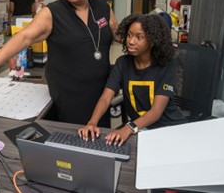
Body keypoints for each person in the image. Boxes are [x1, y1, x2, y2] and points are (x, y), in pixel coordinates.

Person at [0, 0, 119, 127]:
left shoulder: (103, 8)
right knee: (74, 139)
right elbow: (25, 36)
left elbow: (118, 33)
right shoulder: (52, 12)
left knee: (100, 136)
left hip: (101, 89)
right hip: (69, 94)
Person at [78, 13, 187, 145]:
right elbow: (106, 97)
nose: (131, 41)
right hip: (141, 130)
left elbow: (156, 111)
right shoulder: (122, 63)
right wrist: (92, 122)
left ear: (152, 41)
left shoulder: (166, 66)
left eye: (139, 37)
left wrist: (128, 128)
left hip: (169, 129)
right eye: (129, 35)